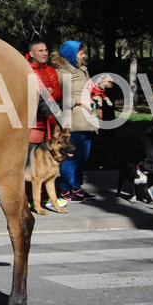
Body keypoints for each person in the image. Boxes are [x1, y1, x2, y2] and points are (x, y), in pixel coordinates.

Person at [52, 41, 99, 203]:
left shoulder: (83, 70)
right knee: (71, 157)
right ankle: (66, 189)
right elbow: (59, 97)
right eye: (80, 53)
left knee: (83, 157)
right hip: (74, 121)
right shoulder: (61, 73)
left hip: (88, 119)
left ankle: (76, 186)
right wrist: (80, 101)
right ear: (72, 54)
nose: (84, 56)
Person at [25, 41, 66, 210]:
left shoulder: (51, 70)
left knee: (49, 161)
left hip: (48, 122)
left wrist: (50, 93)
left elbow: (57, 93)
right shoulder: (24, 69)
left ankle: (46, 197)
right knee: (29, 163)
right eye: (40, 50)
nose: (44, 53)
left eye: (46, 49)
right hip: (31, 124)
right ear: (31, 53)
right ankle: (27, 197)